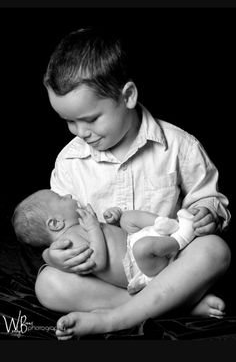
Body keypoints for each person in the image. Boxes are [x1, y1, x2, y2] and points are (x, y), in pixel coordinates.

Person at [35, 27, 231, 339]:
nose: (79, 132)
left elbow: (209, 199)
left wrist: (208, 212)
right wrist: (53, 255)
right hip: (110, 276)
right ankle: (170, 305)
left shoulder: (180, 146)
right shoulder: (69, 163)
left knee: (215, 250)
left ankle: (115, 317)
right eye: (69, 122)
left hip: (171, 266)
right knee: (47, 283)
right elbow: (58, 230)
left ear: (127, 96)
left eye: (90, 119)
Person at [13, 189, 196, 295]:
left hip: (132, 242)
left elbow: (113, 239)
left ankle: (167, 225)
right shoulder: (68, 241)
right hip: (137, 267)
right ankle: (182, 237)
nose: (69, 196)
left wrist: (113, 221)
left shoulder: (79, 225)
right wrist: (94, 228)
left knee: (128, 217)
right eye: (62, 198)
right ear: (55, 223)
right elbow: (98, 263)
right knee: (143, 248)